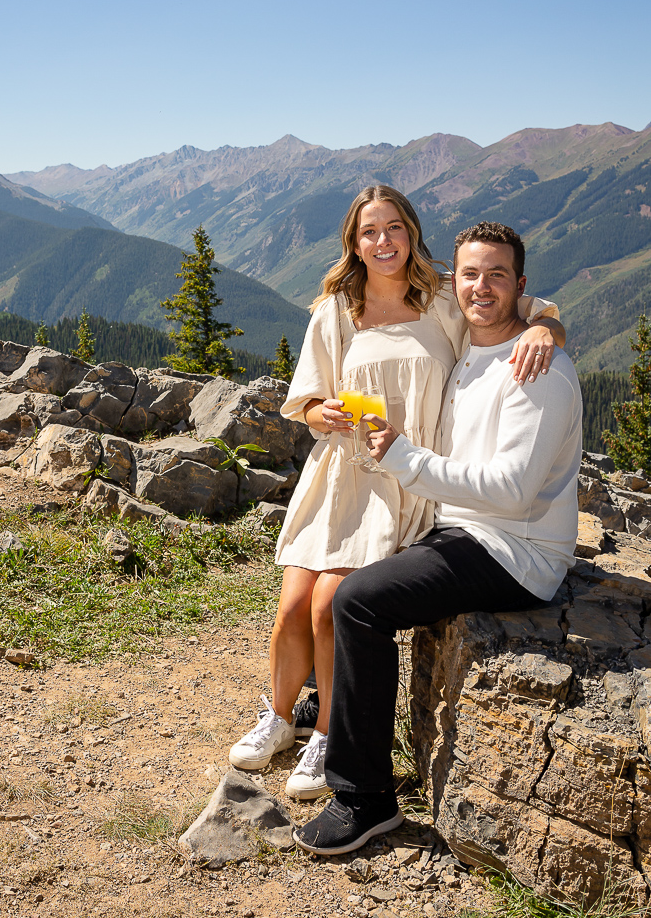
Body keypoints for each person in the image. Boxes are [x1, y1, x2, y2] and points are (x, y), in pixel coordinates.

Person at [228, 189, 564, 801]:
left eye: (393, 229)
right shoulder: (336, 308)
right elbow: (305, 399)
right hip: (344, 469)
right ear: (353, 244)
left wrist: (545, 328)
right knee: (294, 601)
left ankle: (329, 732)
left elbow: (518, 305)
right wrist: (319, 411)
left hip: (411, 478)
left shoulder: (441, 298)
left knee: (332, 603)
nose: (382, 242)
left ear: (410, 232)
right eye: (368, 232)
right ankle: (279, 718)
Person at [294, 221, 582, 854]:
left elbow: (510, 489)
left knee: (359, 601)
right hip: (462, 529)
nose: (481, 287)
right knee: (347, 586)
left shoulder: (539, 369)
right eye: (470, 274)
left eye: (497, 275)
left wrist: (403, 459)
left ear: (521, 286)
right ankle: (333, 717)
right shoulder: (472, 348)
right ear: (454, 281)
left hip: (516, 551)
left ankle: (364, 798)